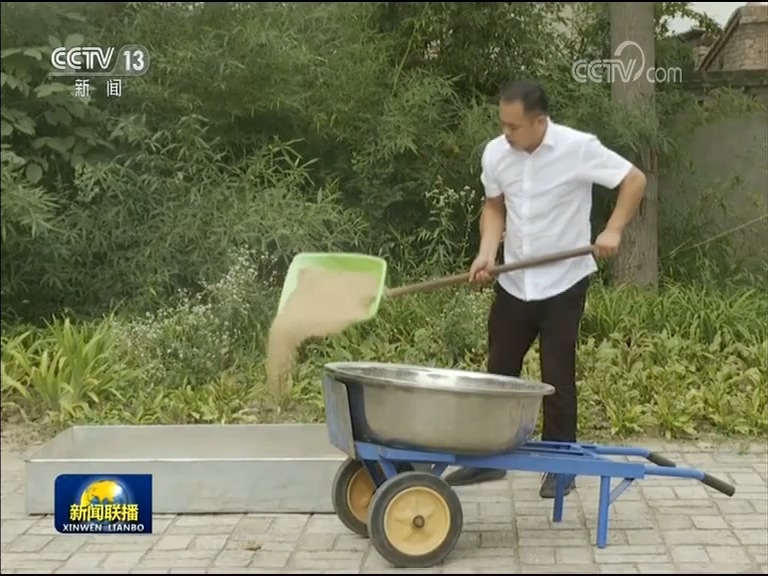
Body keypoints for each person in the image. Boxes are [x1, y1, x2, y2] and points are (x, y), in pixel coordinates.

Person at [444, 79, 647, 498]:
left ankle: (561, 465)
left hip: (563, 282)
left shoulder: (578, 148)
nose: (505, 133)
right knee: (499, 371)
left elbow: (634, 179)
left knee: (557, 376)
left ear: (539, 122)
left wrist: (613, 229)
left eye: (513, 126)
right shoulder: (495, 153)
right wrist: (487, 252)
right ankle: (488, 459)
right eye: (502, 124)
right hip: (515, 281)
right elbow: (494, 207)